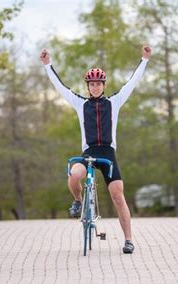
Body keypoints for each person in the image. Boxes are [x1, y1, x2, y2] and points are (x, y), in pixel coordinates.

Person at [40, 44, 152, 254]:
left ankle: (128, 240)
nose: (95, 87)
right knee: (74, 175)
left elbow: (132, 82)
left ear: (103, 85)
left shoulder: (115, 101)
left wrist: (144, 59)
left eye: (99, 84)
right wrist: (48, 65)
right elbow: (60, 87)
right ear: (88, 86)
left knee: (118, 195)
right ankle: (78, 201)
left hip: (108, 153)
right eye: (92, 84)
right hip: (89, 152)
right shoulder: (80, 104)